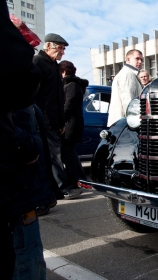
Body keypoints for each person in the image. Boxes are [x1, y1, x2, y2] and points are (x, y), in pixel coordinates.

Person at [1, 1, 52, 277]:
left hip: (23, 190)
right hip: (18, 192)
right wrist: (27, 145)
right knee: (28, 259)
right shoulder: (15, 90)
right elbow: (17, 135)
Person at [33, 33, 82, 200]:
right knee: (53, 157)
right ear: (48, 46)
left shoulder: (54, 66)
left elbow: (59, 98)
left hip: (54, 121)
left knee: (54, 156)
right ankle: (61, 189)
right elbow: (36, 94)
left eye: (63, 49)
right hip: (43, 120)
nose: (62, 52)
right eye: (59, 48)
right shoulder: (38, 62)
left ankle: (55, 190)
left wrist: (61, 122)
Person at [59, 60, 88, 190]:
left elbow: (68, 106)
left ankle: (80, 180)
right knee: (68, 153)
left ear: (64, 71)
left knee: (69, 153)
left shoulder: (72, 85)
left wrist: (60, 120)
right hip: (71, 123)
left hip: (71, 124)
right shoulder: (72, 84)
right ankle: (75, 179)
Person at [107, 49, 143, 127]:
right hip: (125, 124)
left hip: (123, 123)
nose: (140, 62)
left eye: (141, 60)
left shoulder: (129, 73)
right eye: (137, 58)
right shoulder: (127, 74)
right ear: (128, 59)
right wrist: (133, 122)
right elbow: (128, 101)